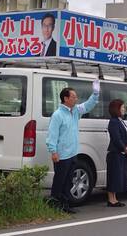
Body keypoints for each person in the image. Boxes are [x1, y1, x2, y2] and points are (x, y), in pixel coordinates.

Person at [46, 80, 100, 213]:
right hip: (62, 154)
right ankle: (55, 203)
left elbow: (87, 106)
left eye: (76, 97)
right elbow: (52, 135)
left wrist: (95, 94)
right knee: (60, 180)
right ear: (65, 98)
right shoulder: (58, 115)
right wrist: (53, 151)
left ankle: (65, 204)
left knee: (69, 181)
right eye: (73, 97)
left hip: (73, 153)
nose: (76, 99)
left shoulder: (75, 111)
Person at [106, 99, 127, 207]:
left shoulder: (120, 120)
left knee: (118, 176)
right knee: (113, 176)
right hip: (115, 153)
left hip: (121, 153)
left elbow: (123, 136)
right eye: (122, 107)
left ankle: (114, 198)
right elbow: (116, 138)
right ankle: (111, 200)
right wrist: (124, 147)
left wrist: (126, 145)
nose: (124, 109)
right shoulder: (113, 121)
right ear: (117, 109)